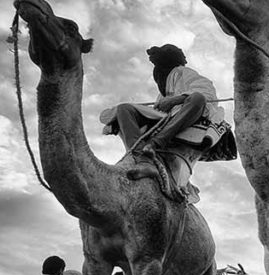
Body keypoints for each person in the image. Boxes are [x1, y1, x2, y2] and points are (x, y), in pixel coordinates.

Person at [98, 44, 236, 199]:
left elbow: (206, 93)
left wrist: (175, 100)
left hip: (187, 115)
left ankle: (155, 144)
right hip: (165, 119)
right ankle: (140, 158)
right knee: (124, 109)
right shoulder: (162, 94)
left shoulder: (184, 73)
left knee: (198, 98)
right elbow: (159, 112)